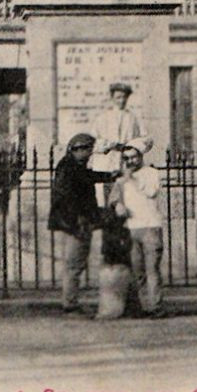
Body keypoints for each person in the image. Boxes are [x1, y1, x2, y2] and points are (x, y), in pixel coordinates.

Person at [47, 132, 119, 314]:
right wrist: (81, 220)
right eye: (88, 150)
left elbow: (88, 176)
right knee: (74, 264)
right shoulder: (70, 168)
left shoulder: (72, 166)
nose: (90, 154)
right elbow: (77, 189)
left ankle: (71, 302)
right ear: (76, 149)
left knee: (75, 263)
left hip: (77, 222)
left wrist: (109, 176)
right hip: (76, 223)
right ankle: (70, 305)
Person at [113, 146, 165, 317]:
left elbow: (151, 192)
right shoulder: (122, 177)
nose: (130, 161)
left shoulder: (151, 173)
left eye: (134, 157)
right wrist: (117, 205)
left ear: (141, 157)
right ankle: (145, 306)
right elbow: (114, 198)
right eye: (126, 158)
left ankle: (156, 306)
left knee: (152, 269)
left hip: (150, 225)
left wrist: (132, 179)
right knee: (137, 271)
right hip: (131, 227)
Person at [91, 82, 151, 177]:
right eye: (118, 97)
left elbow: (146, 139)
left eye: (124, 97)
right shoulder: (102, 118)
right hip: (106, 161)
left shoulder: (133, 118)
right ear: (112, 98)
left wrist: (132, 146)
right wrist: (108, 145)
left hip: (127, 161)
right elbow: (93, 141)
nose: (122, 100)